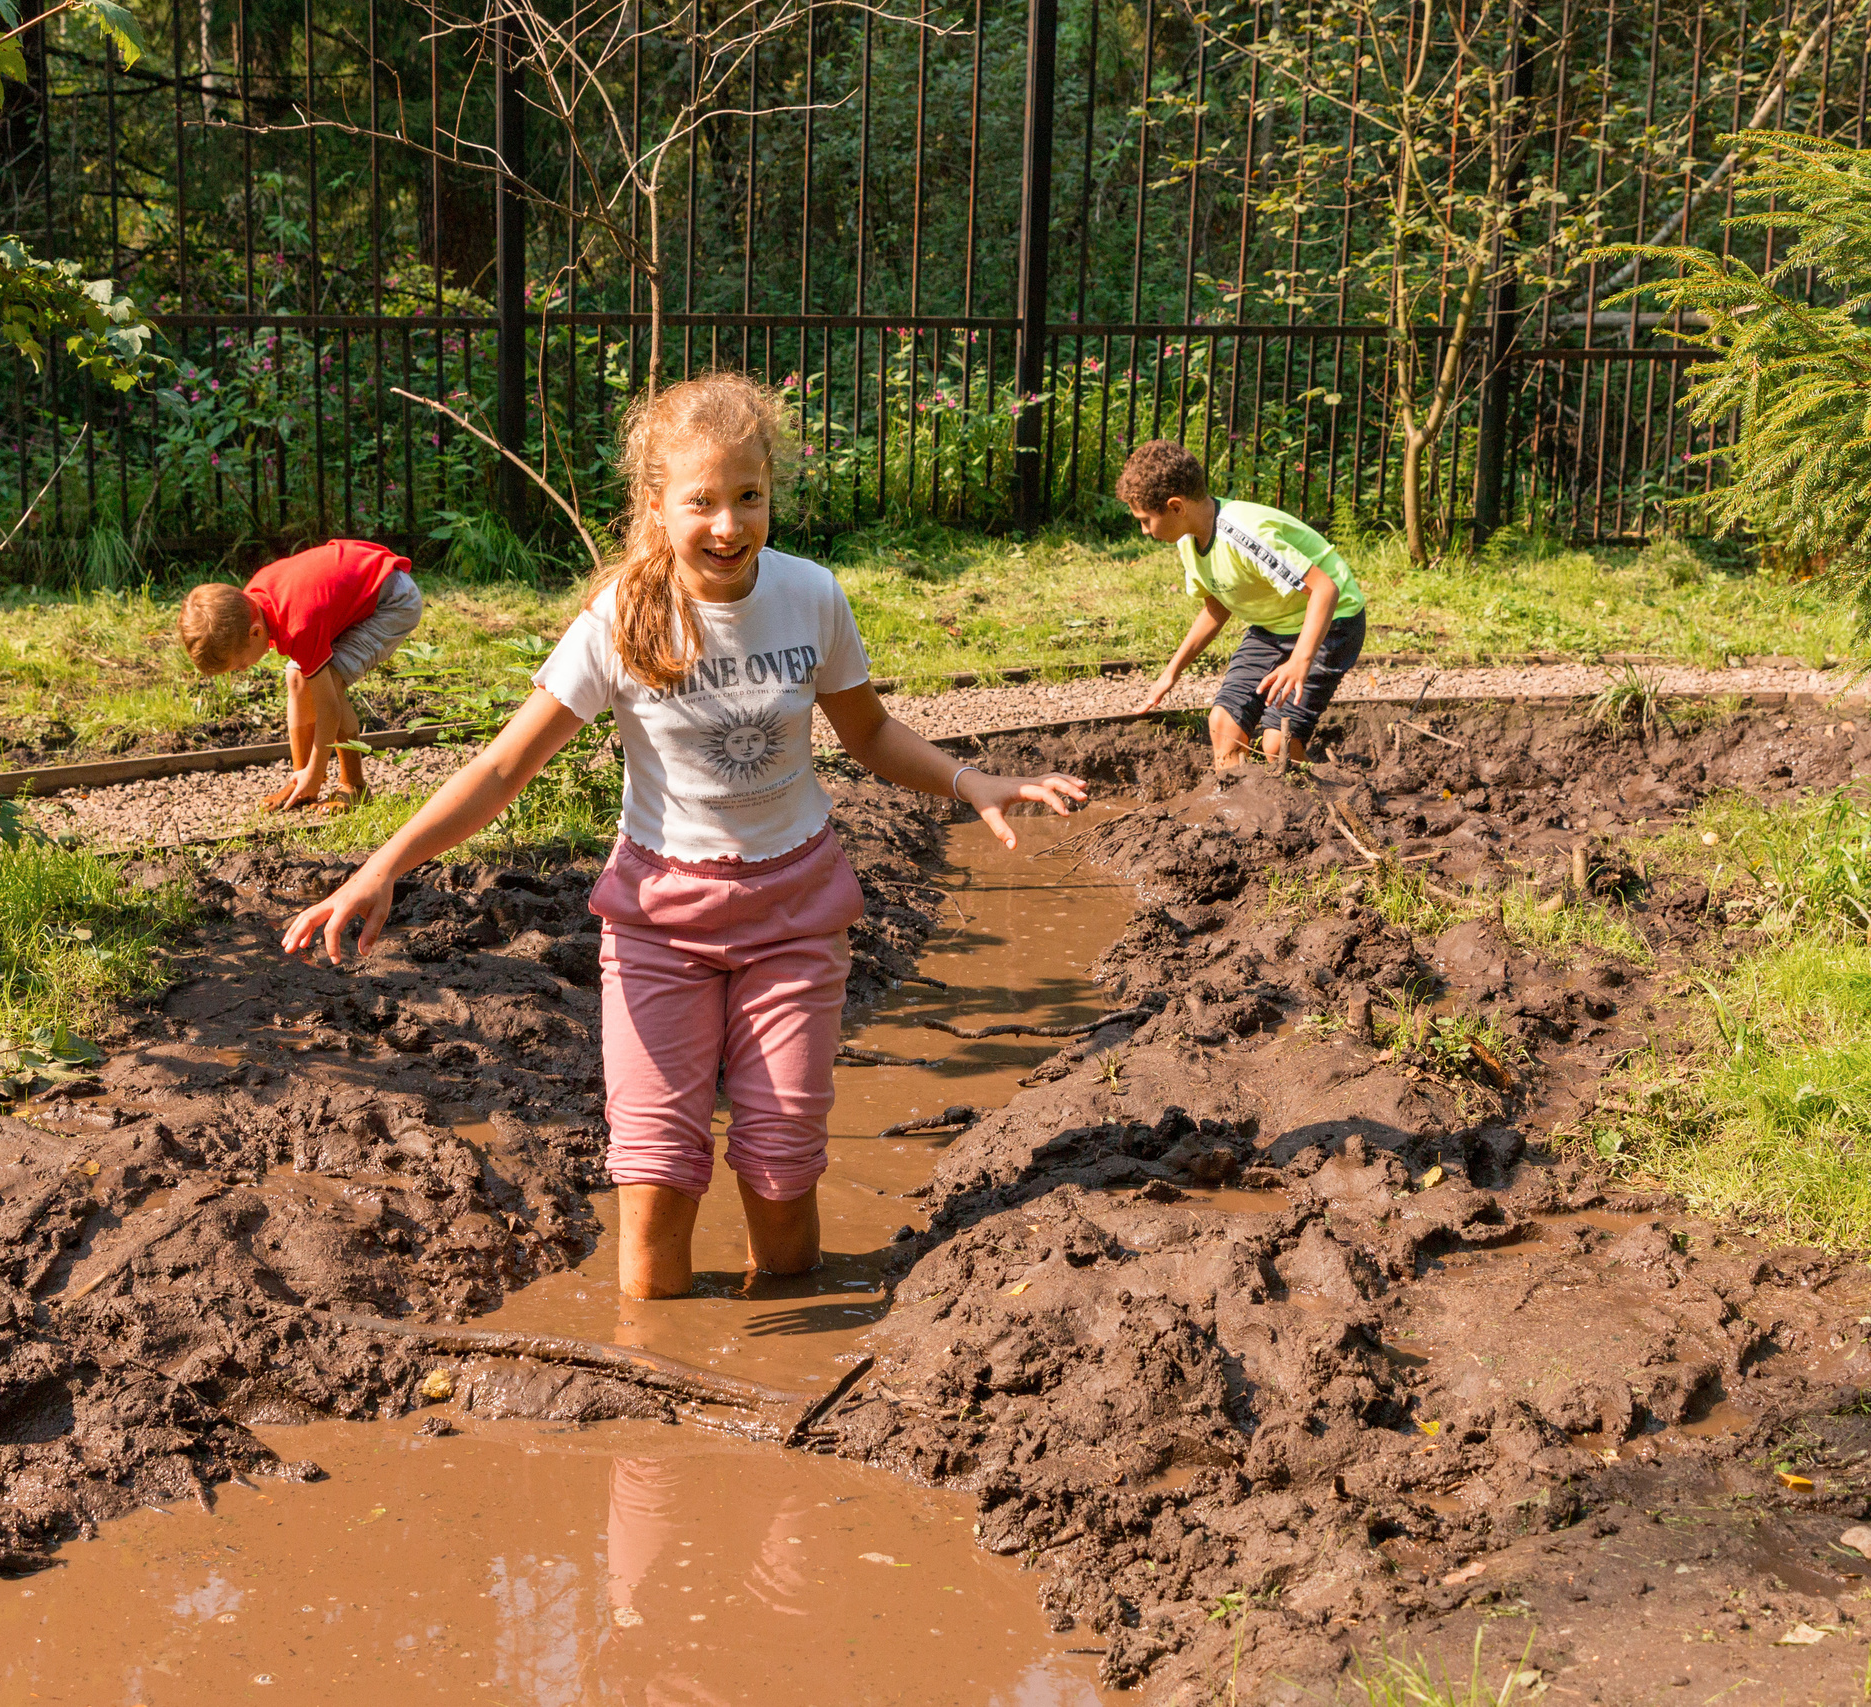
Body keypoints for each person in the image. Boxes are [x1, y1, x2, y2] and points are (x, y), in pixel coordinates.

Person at [282, 372, 1086, 1299]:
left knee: (782, 1167)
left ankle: (787, 1336)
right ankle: (655, 1365)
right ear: (655, 503)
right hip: (661, 921)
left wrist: (970, 778)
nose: (729, 526)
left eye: (750, 497)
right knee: (657, 1171)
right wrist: (381, 865)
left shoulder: (812, 596)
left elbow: (866, 732)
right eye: (700, 501)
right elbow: (504, 768)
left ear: (771, 491)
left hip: (795, 912)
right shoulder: (621, 617)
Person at [1122, 439, 1369, 770]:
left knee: (1277, 742)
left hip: (1332, 622)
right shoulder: (1189, 541)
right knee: (1223, 726)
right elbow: (1217, 606)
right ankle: (1237, 814)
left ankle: (1319, 803)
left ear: (1177, 507)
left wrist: (1300, 661)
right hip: (1274, 626)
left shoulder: (1244, 535)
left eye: (1145, 520)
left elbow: (1325, 590)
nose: (1144, 531)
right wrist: (1172, 672)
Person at [176, 538, 426, 810]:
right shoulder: (248, 603)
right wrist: (308, 776)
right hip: (355, 592)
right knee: (297, 678)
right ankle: (301, 782)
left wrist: (317, 774)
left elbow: (329, 709)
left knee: (331, 679)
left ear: (256, 632)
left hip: (392, 601)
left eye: (240, 665)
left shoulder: (298, 626)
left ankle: (354, 785)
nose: (243, 669)